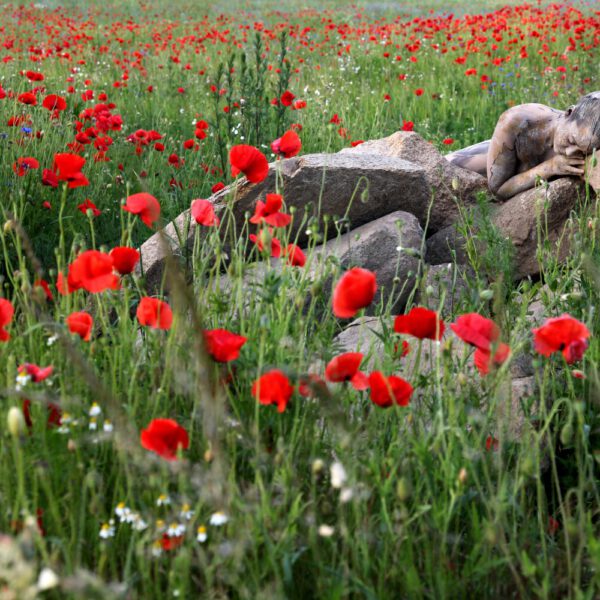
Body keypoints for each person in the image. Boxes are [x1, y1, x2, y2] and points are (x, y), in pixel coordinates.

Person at [445, 91, 600, 200]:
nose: (569, 152)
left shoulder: (584, 135)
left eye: (582, 151)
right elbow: (497, 189)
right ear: (569, 113)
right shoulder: (518, 121)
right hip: (455, 178)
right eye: (572, 141)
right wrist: (551, 167)